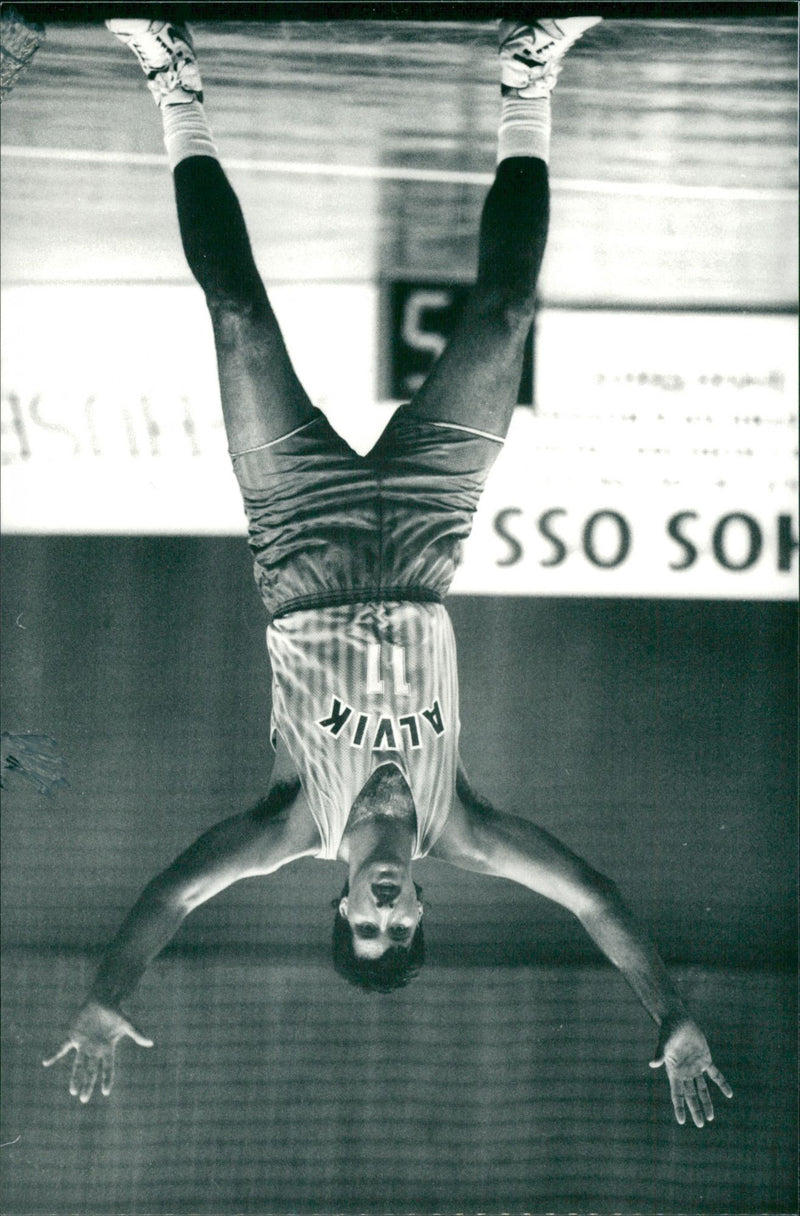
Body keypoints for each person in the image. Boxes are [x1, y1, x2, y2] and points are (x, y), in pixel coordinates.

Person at [43, 17, 733, 1128]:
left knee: (234, 316)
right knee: (505, 315)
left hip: (297, 535)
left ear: (338, 901)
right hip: (423, 534)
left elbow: (175, 890)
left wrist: (107, 992)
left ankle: (170, 74)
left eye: (360, 929)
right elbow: (590, 897)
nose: (381, 916)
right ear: (418, 908)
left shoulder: (291, 830)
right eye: (397, 929)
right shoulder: (459, 827)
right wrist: (668, 1009)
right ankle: (525, 73)